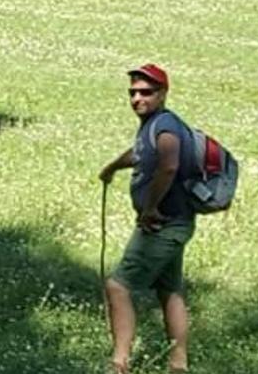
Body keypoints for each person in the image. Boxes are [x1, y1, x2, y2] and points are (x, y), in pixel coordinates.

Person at [98, 64, 197, 374]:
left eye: (146, 92)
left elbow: (168, 164)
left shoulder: (165, 125)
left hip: (162, 224)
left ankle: (119, 363)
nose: (137, 98)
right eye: (133, 92)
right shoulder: (154, 124)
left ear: (163, 94)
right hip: (177, 223)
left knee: (118, 286)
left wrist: (150, 208)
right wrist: (114, 166)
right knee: (169, 289)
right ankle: (178, 364)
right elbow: (142, 152)